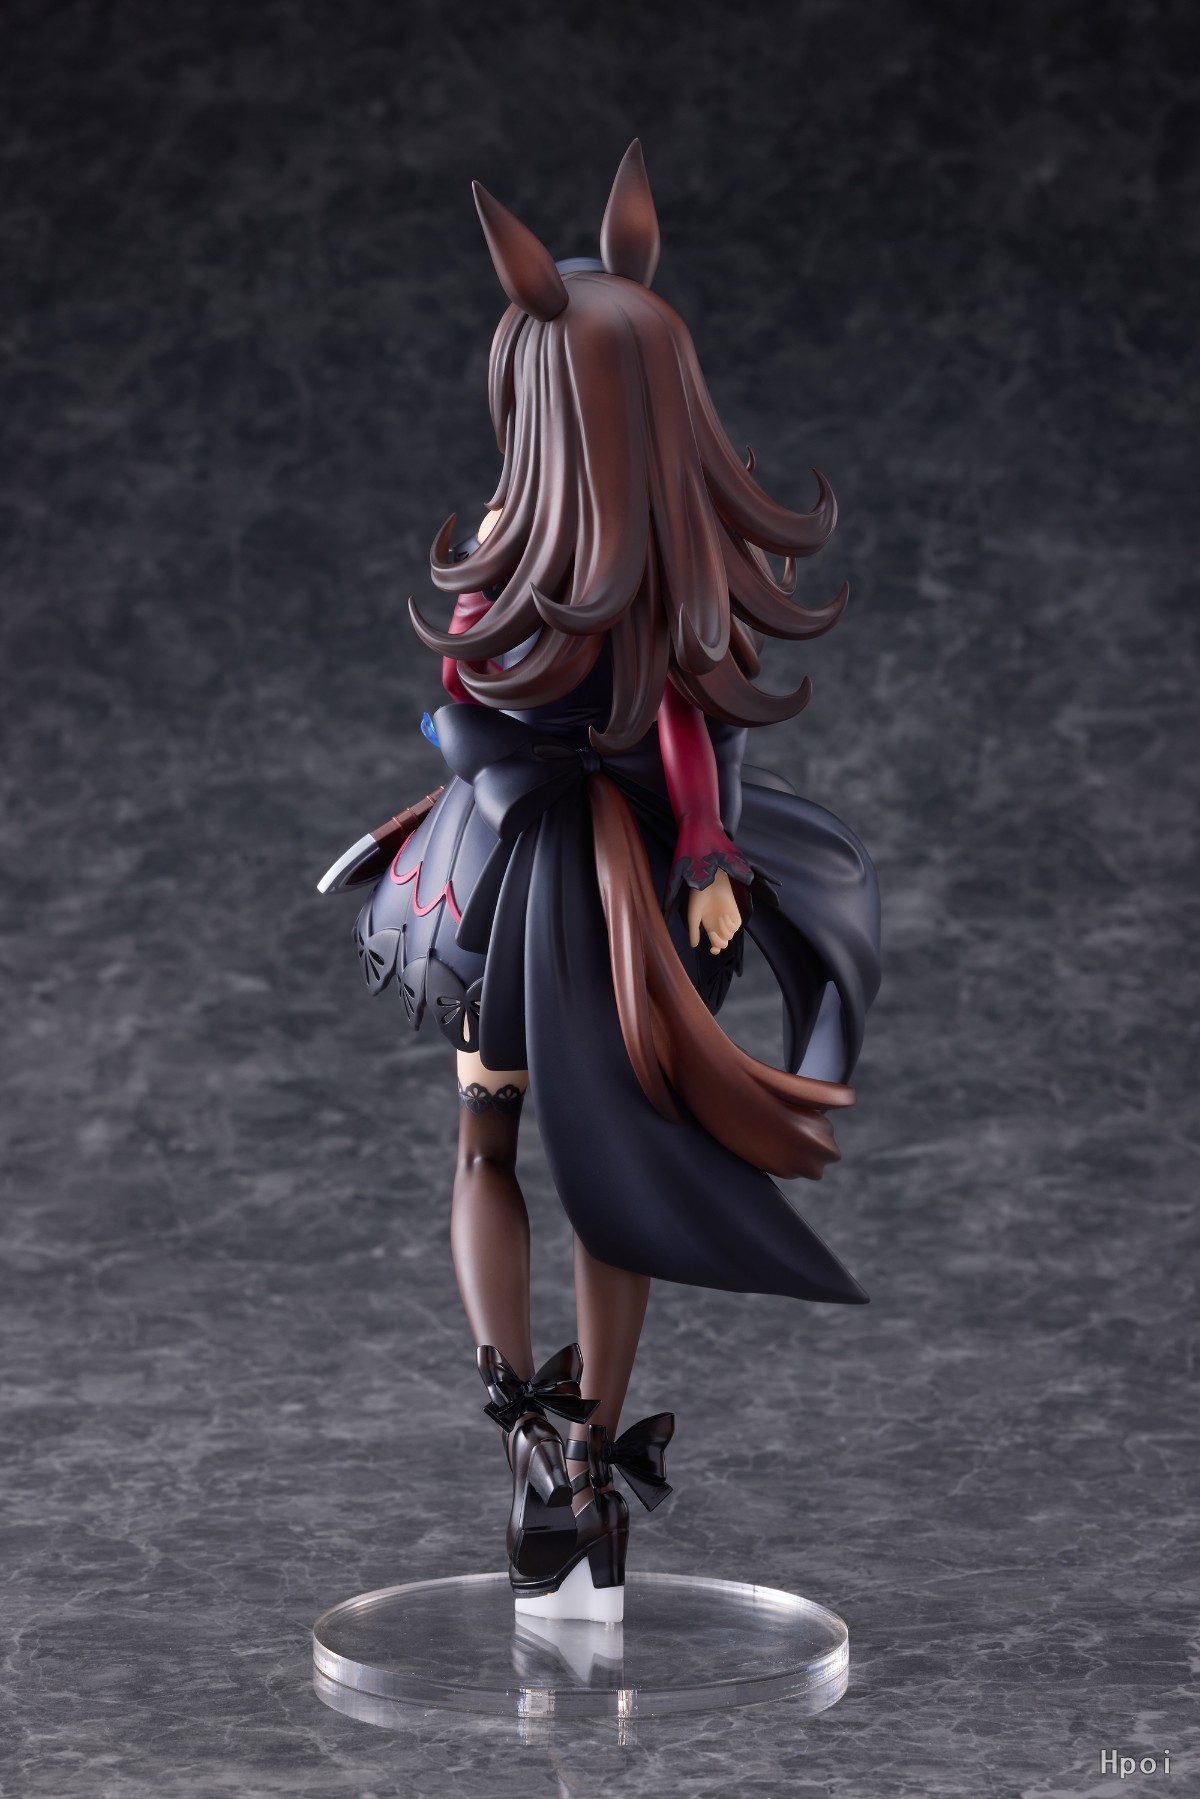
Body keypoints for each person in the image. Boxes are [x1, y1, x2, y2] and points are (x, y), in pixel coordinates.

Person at [320, 142, 881, 1622]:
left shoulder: (551, 557)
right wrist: (697, 843)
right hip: (584, 874)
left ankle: (550, 1444)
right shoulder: (629, 559)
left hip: (551, 880)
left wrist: (694, 844)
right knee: (564, 1161)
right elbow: (671, 727)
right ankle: (563, 1450)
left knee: (524, 1150)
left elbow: (557, 710)